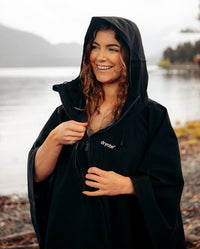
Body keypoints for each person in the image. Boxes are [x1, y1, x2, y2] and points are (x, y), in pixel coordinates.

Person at [28, 16, 186, 249]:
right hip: (68, 232)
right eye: (95, 47)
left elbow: (168, 185)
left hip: (122, 234)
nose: (100, 57)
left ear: (130, 56)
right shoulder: (66, 112)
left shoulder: (152, 117)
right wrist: (54, 139)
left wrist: (128, 185)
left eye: (112, 49)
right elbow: (38, 176)